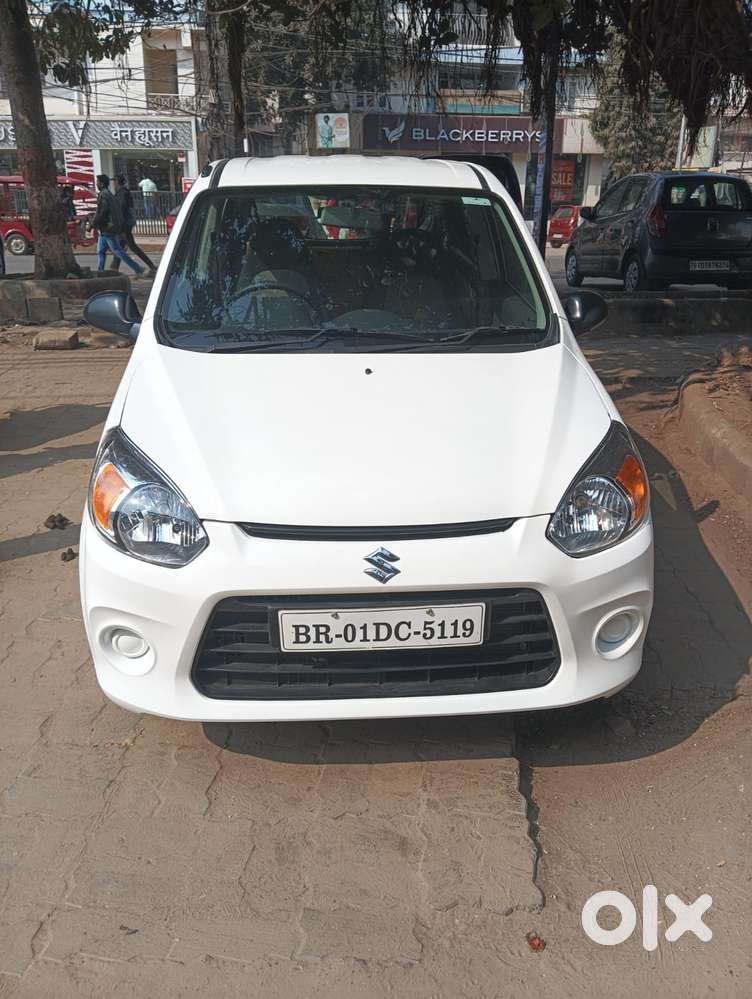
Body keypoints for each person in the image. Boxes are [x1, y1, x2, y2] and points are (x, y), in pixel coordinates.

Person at [91, 174, 143, 275]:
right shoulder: (108, 194)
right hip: (105, 228)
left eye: (97, 182)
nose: (96, 184)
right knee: (101, 251)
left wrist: (92, 224)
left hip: (108, 228)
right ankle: (100, 271)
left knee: (117, 251)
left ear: (101, 184)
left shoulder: (105, 195)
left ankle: (138, 268)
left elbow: (102, 212)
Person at [112, 175, 156, 275]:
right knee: (120, 246)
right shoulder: (123, 192)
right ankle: (114, 267)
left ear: (117, 182)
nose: (113, 184)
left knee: (131, 246)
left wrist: (122, 228)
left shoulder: (122, 193)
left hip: (125, 225)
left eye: (114, 182)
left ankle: (150, 266)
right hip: (125, 224)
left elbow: (121, 210)